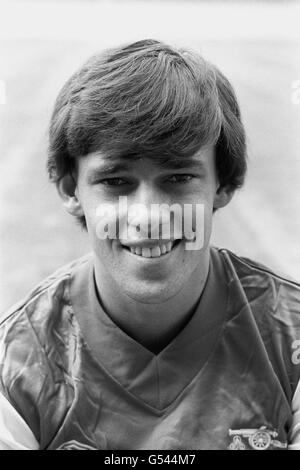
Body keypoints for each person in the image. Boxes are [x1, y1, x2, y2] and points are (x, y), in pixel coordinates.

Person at [0, 39, 299, 451]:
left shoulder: (290, 337)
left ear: (223, 183)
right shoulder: (16, 365)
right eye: (115, 181)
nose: (148, 215)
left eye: (177, 178)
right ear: (72, 189)